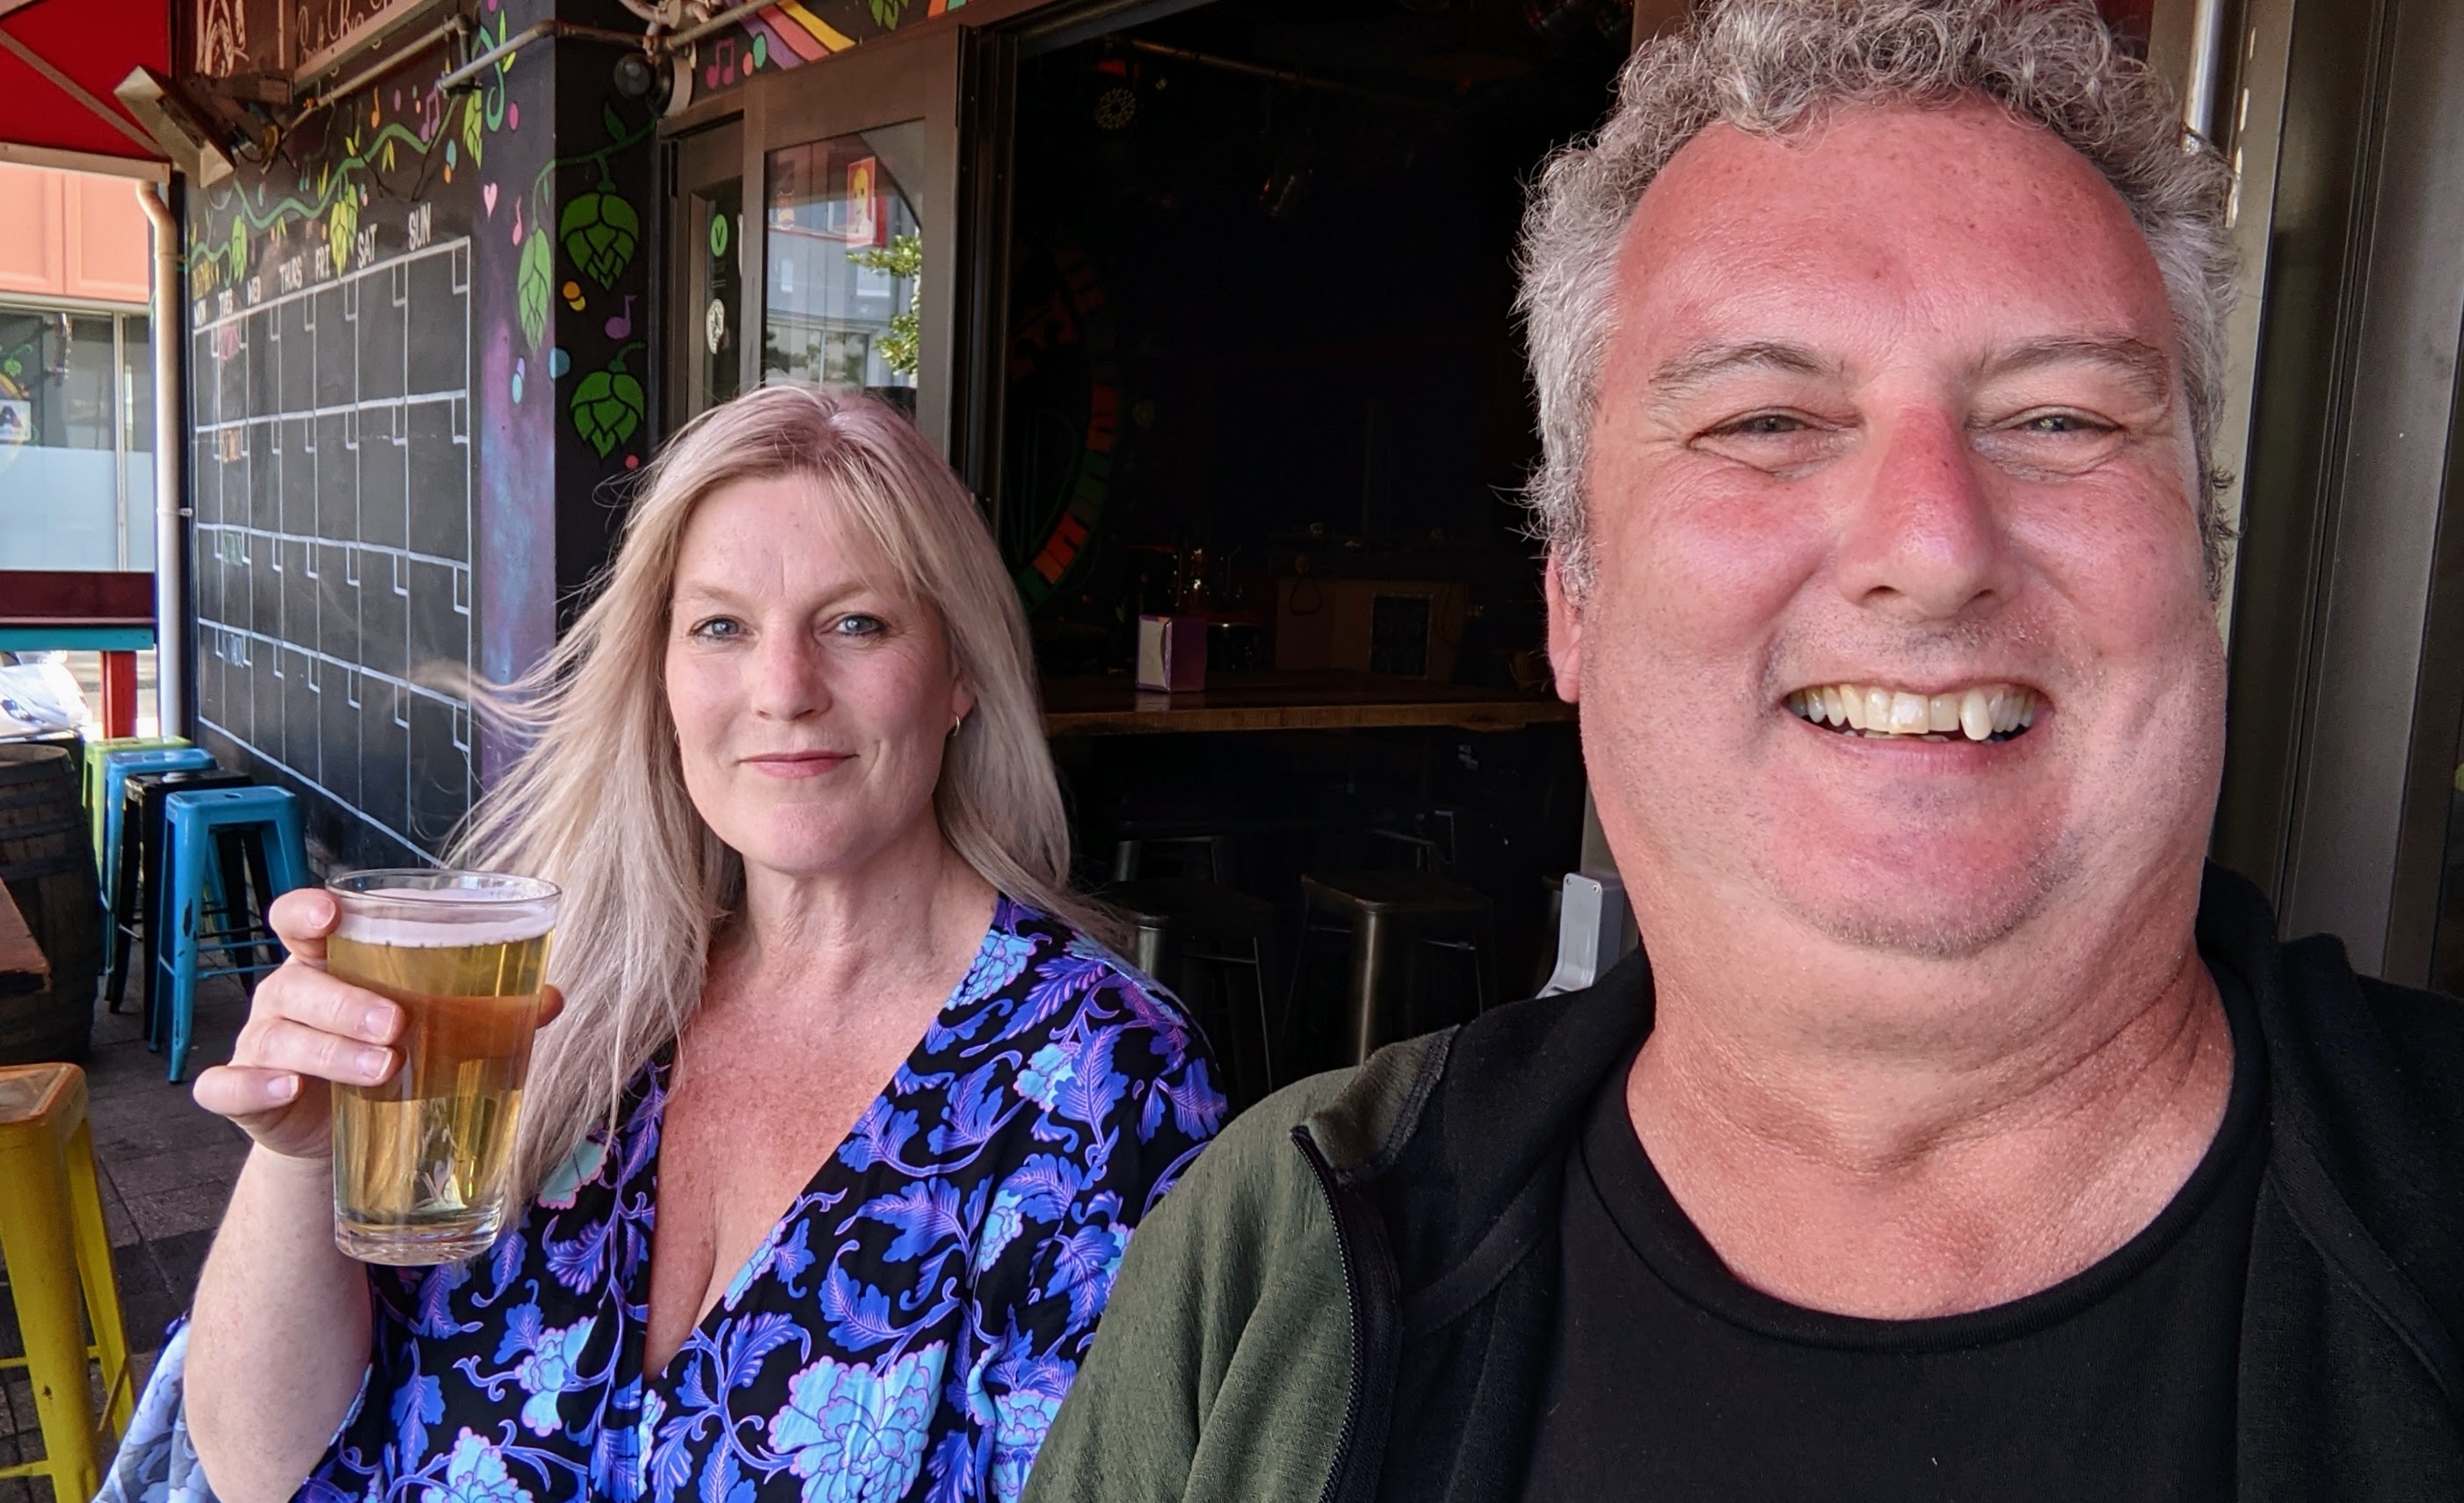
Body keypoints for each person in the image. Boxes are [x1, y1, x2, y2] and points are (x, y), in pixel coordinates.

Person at [1021, 3, 2464, 1500]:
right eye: (1767, 419)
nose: (1929, 545)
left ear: (2197, 559)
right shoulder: (1275, 1258)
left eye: (2055, 417)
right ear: (1570, 594)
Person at [106, 386, 1225, 1503]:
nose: (782, 691)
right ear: (664, 676)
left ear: (959, 674)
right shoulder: (559, 993)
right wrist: (304, 1158)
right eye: (721, 627)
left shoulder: (1097, 1077)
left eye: (857, 623)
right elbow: (264, 1468)